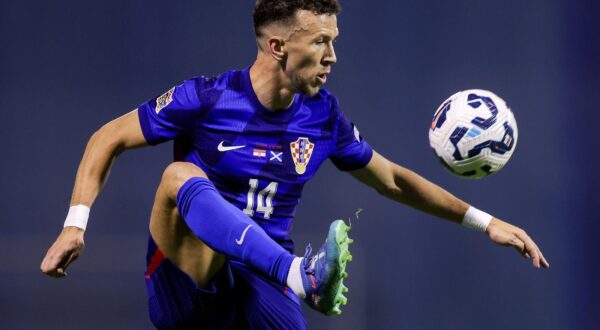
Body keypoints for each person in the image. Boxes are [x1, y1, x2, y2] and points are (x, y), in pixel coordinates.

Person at [40, 0, 550, 329]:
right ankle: (300, 275)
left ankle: (294, 275)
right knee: (179, 177)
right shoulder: (208, 98)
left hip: (262, 285)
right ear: (278, 45)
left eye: (335, 42)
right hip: (188, 276)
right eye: (321, 42)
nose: (332, 56)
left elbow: (392, 179)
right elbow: (107, 137)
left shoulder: (323, 116)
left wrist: (486, 222)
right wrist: (74, 224)